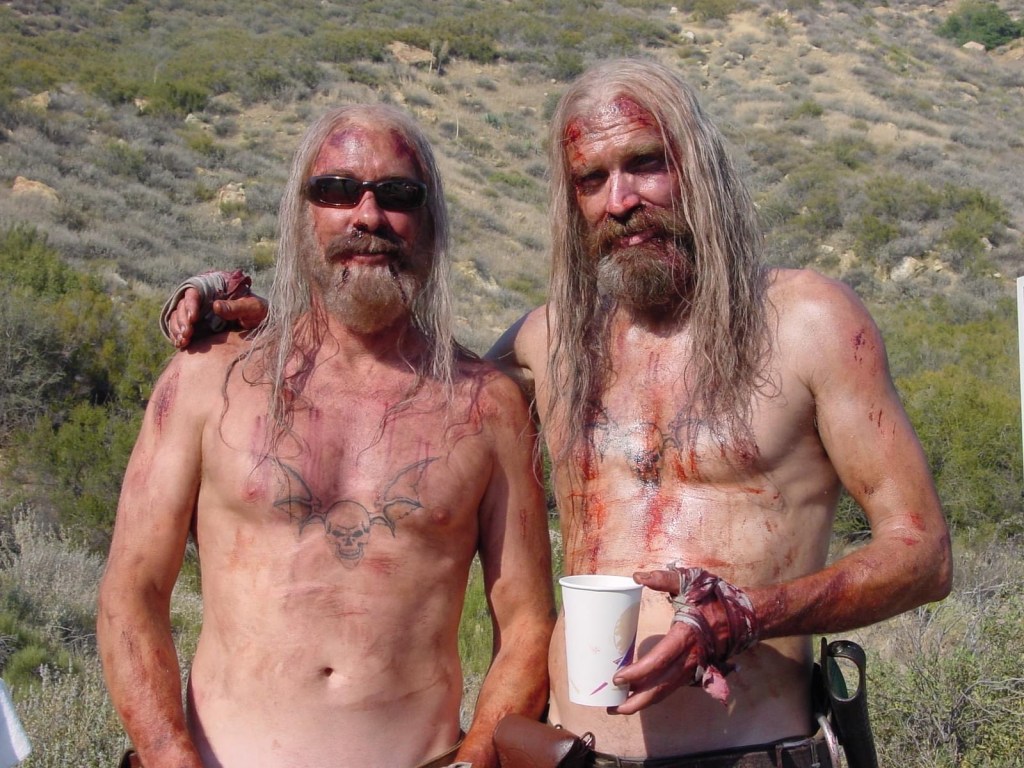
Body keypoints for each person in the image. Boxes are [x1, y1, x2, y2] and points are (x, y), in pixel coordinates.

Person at [162, 59, 953, 767]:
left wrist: (747, 614)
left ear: (700, 167)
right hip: (574, 755)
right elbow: (401, 386)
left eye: (646, 164)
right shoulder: (551, 344)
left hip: (750, 750)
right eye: (591, 178)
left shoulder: (809, 324)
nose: (622, 200)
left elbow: (923, 554)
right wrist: (263, 318)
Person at [97, 103, 555, 768]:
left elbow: (528, 624)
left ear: (431, 223)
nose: (368, 216)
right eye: (336, 190)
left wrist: (476, 758)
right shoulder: (206, 382)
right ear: (301, 215)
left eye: (398, 195)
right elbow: (131, 591)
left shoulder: (489, 409)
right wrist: (170, 758)